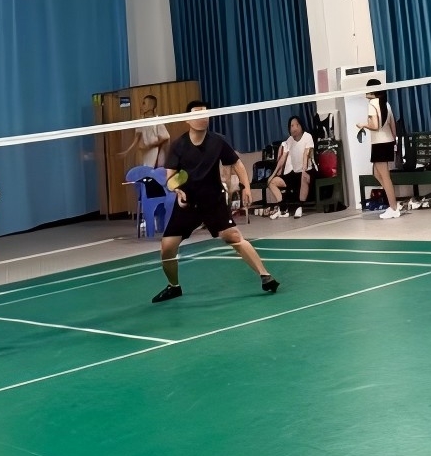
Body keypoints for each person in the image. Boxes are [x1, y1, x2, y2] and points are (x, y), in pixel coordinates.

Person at [152, 101, 279, 303]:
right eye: (197, 114)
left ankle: (266, 276)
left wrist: (247, 187)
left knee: (234, 237)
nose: (203, 117)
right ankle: (173, 286)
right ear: (187, 119)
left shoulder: (218, 141)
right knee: (167, 247)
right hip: (188, 204)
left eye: (206, 114)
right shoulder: (179, 145)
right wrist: (177, 191)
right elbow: (170, 178)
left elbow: (237, 164)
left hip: (213, 201)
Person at [359, 80, 403, 220]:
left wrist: (363, 125)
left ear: (373, 91)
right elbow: (393, 125)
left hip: (380, 143)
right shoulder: (386, 104)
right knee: (377, 173)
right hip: (387, 142)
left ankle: (394, 208)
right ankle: (393, 200)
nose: (366, 92)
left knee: (384, 176)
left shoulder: (373, 104)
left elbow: (375, 125)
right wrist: (394, 142)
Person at [267, 115, 317, 218]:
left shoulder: (307, 137)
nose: (294, 128)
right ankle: (282, 206)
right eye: (292, 126)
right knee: (272, 182)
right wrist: (273, 175)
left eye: (296, 125)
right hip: (294, 173)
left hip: (308, 171)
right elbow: (282, 159)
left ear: (301, 126)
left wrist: (304, 170)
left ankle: (300, 207)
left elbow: (306, 154)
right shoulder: (289, 140)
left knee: (303, 176)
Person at [133, 93, 170, 172]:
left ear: (151, 106)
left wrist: (150, 145)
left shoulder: (157, 120)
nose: (142, 106)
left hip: (156, 157)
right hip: (146, 155)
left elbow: (165, 137)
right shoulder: (140, 121)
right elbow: (137, 138)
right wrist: (127, 151)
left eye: (144, 103)